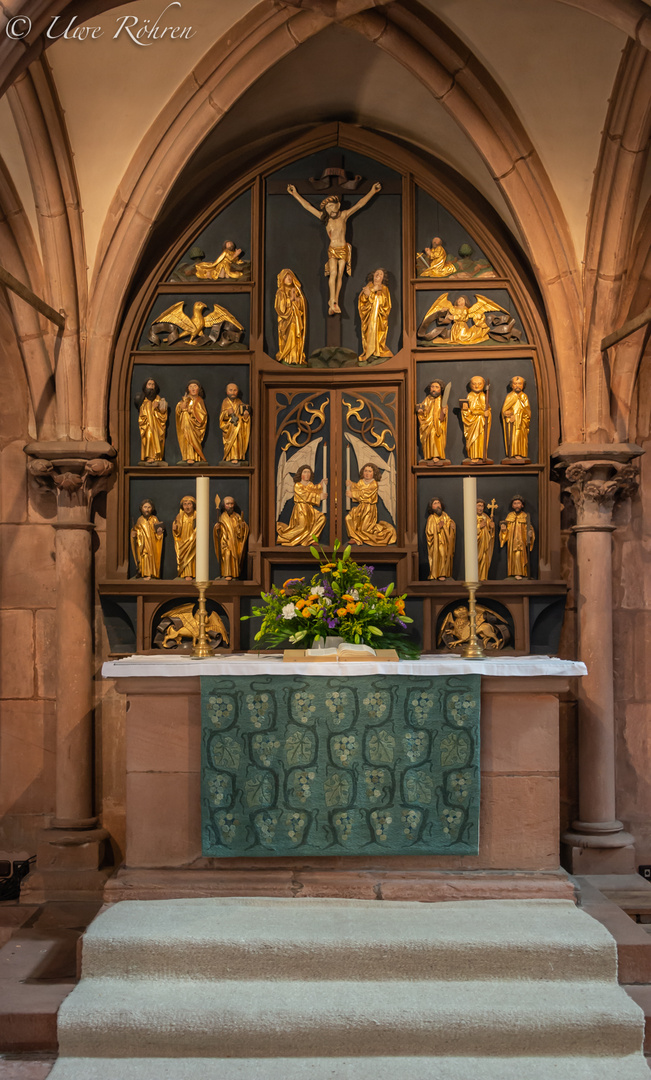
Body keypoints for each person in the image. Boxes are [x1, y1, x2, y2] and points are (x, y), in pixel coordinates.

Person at [286, 181, 382, 314]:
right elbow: (307, 207)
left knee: (340, 276)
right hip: (332, 248)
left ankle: (335, 301)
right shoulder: (325, 219)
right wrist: (295, 194)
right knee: (334, 273)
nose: (331, 209)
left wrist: (372, 191)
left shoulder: (343, 215)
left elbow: (360, 204)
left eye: (333, 206)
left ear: (338, 205)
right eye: (328, 207)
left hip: (343, 248)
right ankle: (332, 300)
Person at [345, 463, 396, 546]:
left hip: (369, 509)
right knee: (348, 518)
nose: (367, 473)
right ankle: (355, 537)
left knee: (365, 529)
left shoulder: (374, 484)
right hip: (360, 507)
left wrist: (353, 495)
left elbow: (365, 494)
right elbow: (358, 488)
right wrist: (351, 484)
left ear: (374, 473)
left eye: (369, 471)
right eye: (365, 471)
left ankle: (383, 534)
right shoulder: (361, 482)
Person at [277, 466, 327, 546]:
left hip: (309, 509)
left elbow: (314, 489)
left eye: (308, 472)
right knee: (302, 527)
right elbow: (305, 495)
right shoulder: (298, 485)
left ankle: (311, 538)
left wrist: (321, 485)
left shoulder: (310, 484)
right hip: (301, 509)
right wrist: (319, 497)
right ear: (300, 474)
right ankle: (285, 537)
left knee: (322, 518)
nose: (307, 474)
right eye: (305, 472)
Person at [358, 268, 393, 363]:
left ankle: (378, 351)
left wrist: (372, 293)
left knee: (379, 332)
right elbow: (363, 300)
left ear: (383, 278)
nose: (378, 275)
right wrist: (372, 290)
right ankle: (369, 353)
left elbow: (385, 304)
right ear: (373, 276)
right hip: (369, 317)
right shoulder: (368, 286)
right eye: (376, 273)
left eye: (380, 274)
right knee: (367, 332)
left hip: (379, 318)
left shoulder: (384, 289)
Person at [275, 269, 306, 365]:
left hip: (295, 317)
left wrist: (297, 300)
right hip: (286, 319)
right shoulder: (280, 291)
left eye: (290, 276)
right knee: (289, 334)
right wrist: (289, 301)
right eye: (286, 277)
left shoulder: (295, 290)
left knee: (295, 334)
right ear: (282, 279)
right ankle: (287, 357)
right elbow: (279, 307)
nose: (289, 278)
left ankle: (295, 357)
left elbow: (301, 305)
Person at [213, 495, 249, 578]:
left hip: (235, 542)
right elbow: (218, 532)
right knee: (227, 555)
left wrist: (242, 527)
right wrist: (217, 529)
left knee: (234, 557)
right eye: (228, 504)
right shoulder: (222, 517)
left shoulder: (237, 517)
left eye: (232, 504)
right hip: (225, 542)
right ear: (224, 505)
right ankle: (227, 574)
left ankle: (234, 573)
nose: (230, 506)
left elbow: (241, 532)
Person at [500, 495, 535, 578]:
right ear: (512, 505)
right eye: (515, 503)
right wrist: (504, 530)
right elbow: (505, 530)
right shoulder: (509, 516)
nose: (516, 505)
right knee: (513, 557)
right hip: (512, 542)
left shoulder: (525, 516)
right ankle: (513, 573)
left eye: (518, 503)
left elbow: (529, 528)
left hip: (521, 541)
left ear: (522, 505)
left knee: (519, 556)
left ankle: (519, 573)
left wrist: (530, 534)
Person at [135, 378, 167, 463]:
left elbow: (163, 414)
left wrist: (162, 407)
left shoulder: (158, 398)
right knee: (149, 437)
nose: (151, 386)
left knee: (157, 438)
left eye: (153, 385)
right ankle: (149, 456)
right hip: (148, 425)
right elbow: (142, 414)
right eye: (149, 384)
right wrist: (152, 408)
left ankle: (157, 457)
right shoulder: (144, 400)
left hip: (157, 425)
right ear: (146, 386)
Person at [460, 375, 492, 462]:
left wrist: (487, 413)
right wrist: (465, 410)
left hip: (482, 421)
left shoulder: (484, 396)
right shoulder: (470, 396)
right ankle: (473, 456)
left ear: (483, 385)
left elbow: (487, 409)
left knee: (481, 437)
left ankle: (481, 455)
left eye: (479, 384)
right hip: (472, 422)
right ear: (470, 385)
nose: (477, 386)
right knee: (473, 439)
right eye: (474, 384)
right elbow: (466, 411)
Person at [130, 499, 164, 579]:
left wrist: (159, 533)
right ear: (141, 508)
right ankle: (145, 573)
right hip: (143, 543)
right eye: (145, 507)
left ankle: (151, 573)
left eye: (149, 507)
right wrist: (134, 533)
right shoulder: (139, 520)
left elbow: (158, 533)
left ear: (152, 509)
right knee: (144, 556)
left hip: (152, 544)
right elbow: (136, 530)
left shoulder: (154, 519)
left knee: (151, 557)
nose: (147, 509)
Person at [175, 380, 207, 463]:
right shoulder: (184, 400)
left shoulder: (199, 400)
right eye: (191, 387)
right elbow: (178, 410)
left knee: (193, 438)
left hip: (195, 427)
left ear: (199, 389)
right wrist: (180, 408)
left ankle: (195, 456)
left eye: (195, 386)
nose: (193, 389)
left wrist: (191, 412)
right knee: (186, 437)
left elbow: (203, 415)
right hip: (185, 424)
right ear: (188, 389)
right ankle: (188, 456)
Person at [501, 375, 532, 461]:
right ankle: (513, 453)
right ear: (512, 385)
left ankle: (521, 453)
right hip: (513, 422)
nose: (517, 385)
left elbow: (528, 410)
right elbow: (504, 411)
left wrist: (525, 416)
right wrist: (509, 414)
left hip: (522, 421)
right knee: (514, 437)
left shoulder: (524, 396)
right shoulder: (510, 396)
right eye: (515, 383)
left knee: (521, 437)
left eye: (520, 383)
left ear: (523, 385)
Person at [416, 381, 448, 461]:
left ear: (441, 389)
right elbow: (423, 410)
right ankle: (429, 455)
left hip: (438, 424)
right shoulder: (427, 399)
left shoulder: (442, 400)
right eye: (432, 387)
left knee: (436, 437)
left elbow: (443, 416)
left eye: (437, 387)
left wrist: (444, 413)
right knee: (430, 437)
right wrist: (421, 412)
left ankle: (436, 455)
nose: (434, 389)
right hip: (428, 423)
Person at [219, 382, 250, 463]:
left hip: (238, 427)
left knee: (238, 441)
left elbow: (244, 416)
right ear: (227, 391)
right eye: (231, 390)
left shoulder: (239, 402)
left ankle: (238, 456)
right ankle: (230, 457)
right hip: (229, 428)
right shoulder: (225, 402)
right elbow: (222, 417)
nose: (233, 392)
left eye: (235, 390)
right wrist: (227, 413)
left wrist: (245, 416)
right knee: (231, 442)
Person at [425, 498, 456, 579]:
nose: (438, 505)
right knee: (441, 555)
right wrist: (438, 527)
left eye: (438, 503)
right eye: (435, 503)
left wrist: (452, 526)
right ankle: (440, 574)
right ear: (431, 507)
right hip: (437, 543)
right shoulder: (431, 518)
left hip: (446, 542)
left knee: (446, 555)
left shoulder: (445, 516)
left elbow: (450, 523)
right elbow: (429, 532)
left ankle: (446, 573)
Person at [172, 495, 196, 580]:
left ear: (193, 505)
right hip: (183, 540)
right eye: (185, 504)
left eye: (189, 504)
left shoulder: (196, 515)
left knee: (192, 556)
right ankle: (184, 573)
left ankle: (191, 573)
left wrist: (193, 537)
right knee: (184, 556)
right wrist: (175, 529)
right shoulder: (180, 516)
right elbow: (177, 531)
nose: (187, 506)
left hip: (193, 541)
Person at [476, 499, 496, 581]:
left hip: (485, 544)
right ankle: (475, 578)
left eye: (482, 506)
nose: (480, 508)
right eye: (478, 505)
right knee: (475, 560)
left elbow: (491, 534)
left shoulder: (487, 517)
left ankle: (483, 577)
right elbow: (468, 531)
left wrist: (491, 528)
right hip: (476, 544)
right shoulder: (471, 517)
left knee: (484, 559)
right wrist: (479, 526)